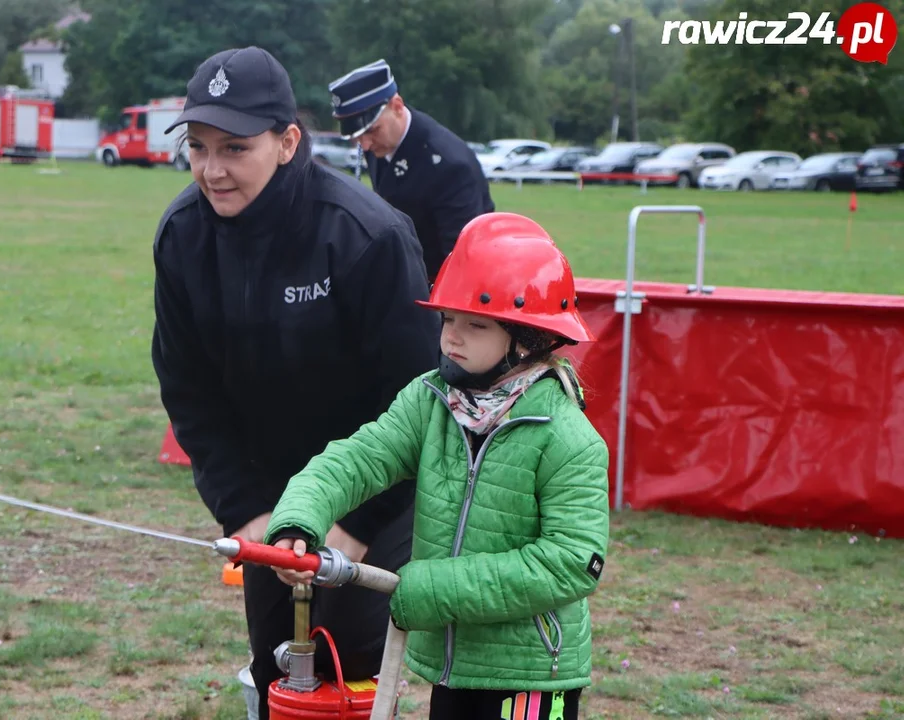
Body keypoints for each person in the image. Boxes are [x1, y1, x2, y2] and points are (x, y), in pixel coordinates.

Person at [149, 46, 440, 719]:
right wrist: (247, 510)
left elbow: (420, 397)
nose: (211, 169)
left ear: (286, 143)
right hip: (271, 491)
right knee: (275, 656)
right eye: (197, 147)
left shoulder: (366, 237)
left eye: (234, 148)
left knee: (350, 657)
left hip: (380, 485)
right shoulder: (181, 238)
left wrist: (354, 522)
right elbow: (189, 393)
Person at [263, 212, 611, 720]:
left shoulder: (567, 437)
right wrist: (299, 517)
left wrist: (434, 589)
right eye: (447, 319)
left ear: (528, 339)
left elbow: (571, 562)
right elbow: (359, 458)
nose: (452, 337)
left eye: (475, 324)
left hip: (531, 678)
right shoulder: (430, 401)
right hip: (451, 666)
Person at [328, 59, 496, 282]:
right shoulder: (379, 143)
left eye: (372, 131)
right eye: (358, 137)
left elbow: (462, 260)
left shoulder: (449, 165)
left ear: (397, 106)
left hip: (436, 290)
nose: (365, 145)